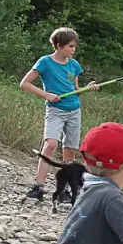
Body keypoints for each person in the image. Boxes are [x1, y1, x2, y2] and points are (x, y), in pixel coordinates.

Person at [20, 27, 96, 200]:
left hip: (74, 111)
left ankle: (65, 192)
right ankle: (38, 187)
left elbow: (76, 90)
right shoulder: (45, 62)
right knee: (51, 145)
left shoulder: (74, 65)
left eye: (74, 46)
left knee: (69, 151)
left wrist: (88, 87)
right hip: (55, 111)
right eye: (70, 46)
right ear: (59, 46)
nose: (73, 49)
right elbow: (24, 84)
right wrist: (47, 95)